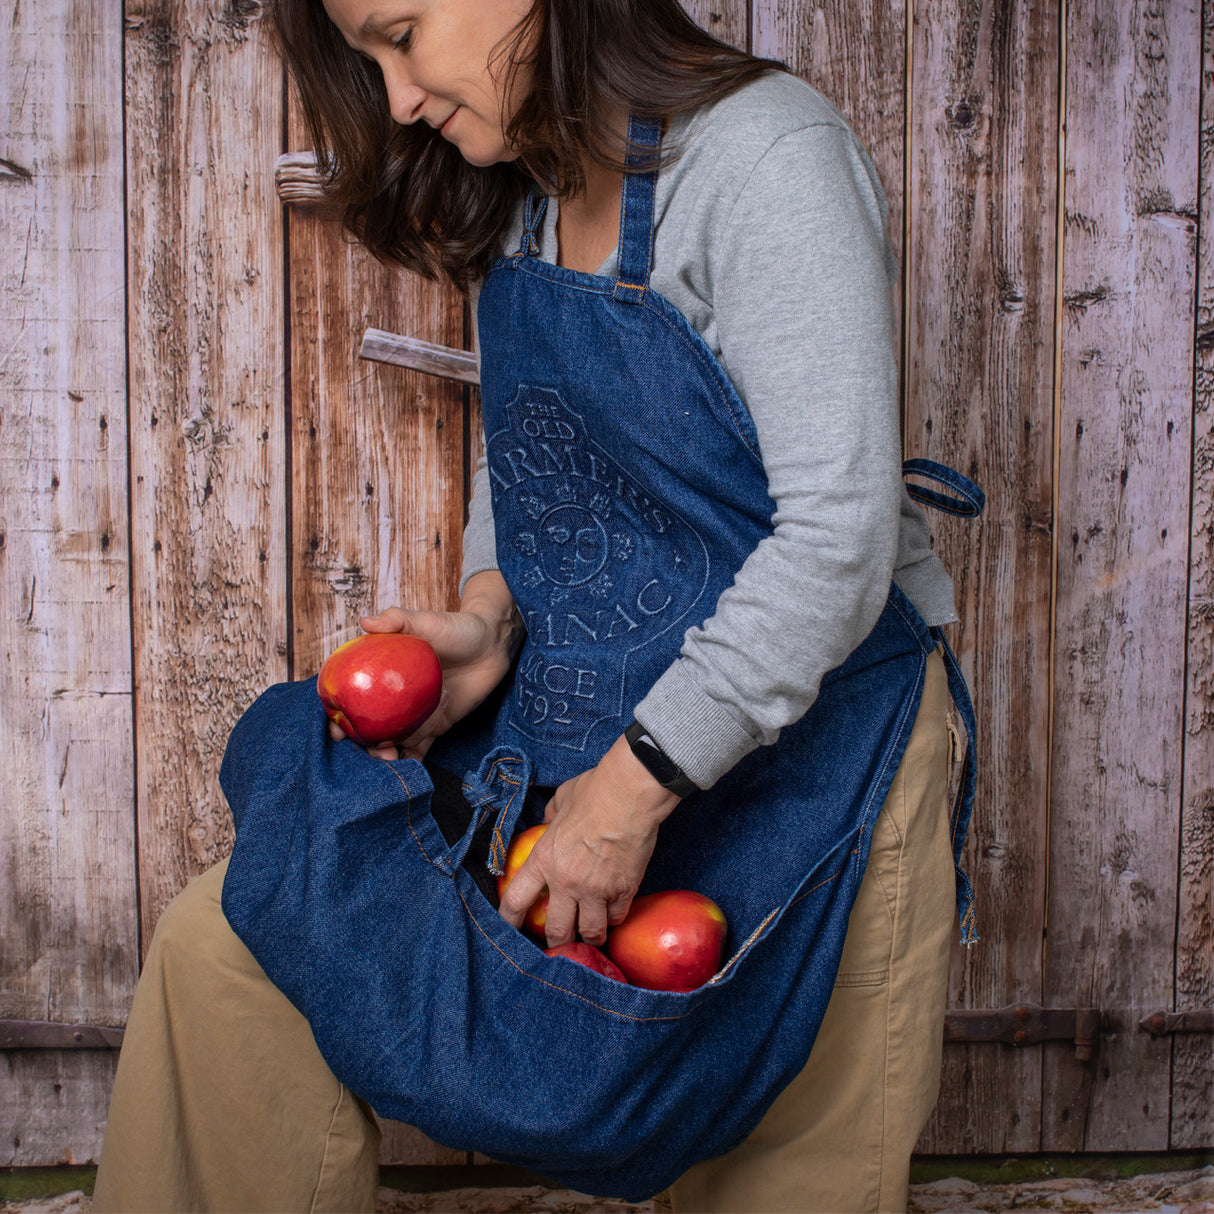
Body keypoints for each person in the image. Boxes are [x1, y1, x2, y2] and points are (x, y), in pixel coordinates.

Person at [94, 1, 979, 1210]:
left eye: (400, 33)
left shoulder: (766, 157)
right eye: (367, 60)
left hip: (814, 752)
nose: (397, 98)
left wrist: (626, 792)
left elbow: (836, 538)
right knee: (231, 948)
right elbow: (538, 455)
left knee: (778, 1159)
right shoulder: (524, 195)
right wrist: (488, 618)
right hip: (586, 722)